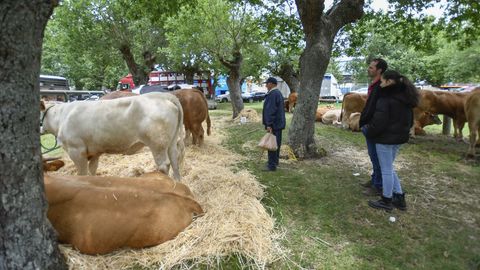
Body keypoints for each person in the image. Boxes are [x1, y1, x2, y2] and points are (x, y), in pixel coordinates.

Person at [363, 70, 419, 211]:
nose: (380, 84)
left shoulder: (386, 99)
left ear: (388, 81)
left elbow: (379, 121)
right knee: (389, 168)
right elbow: (410, 121)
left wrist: (368, 130)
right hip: (398, 139)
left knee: (385, 169)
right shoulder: (406, 98)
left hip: (385, 139)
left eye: (382, 81)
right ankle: (399, 198)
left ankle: (386, 200)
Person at [359, 58, 388, 196]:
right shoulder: (374, 85)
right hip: (370, 125)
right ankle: (374, 179)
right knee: (373, 155)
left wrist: (371, 126)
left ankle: (378, 186)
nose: (368, 69)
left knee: (377, 157)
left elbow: (381, 110)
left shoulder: (382, 87)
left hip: (375, 127)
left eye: (371, 67)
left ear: (379, 70)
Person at [262, 77, 286, 171]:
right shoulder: (278, 93)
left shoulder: (273, 94)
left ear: (271, 84)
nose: (266, 85)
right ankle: (275, 162)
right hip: (278, 123)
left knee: (271, 144)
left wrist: (269, 124)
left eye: (267, 83)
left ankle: (271, 166)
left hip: (274, 124)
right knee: (276, 144)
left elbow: (270, 110)